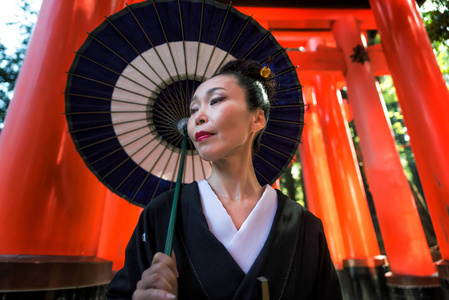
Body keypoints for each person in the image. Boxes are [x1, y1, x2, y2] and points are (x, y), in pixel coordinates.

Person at [106, 59, 342, 300]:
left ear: (257, 119)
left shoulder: (305, 227)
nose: (197, 118)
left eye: (216, 100)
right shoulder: (162, 214)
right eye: (193, 110)